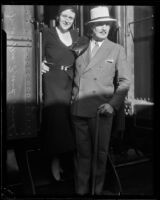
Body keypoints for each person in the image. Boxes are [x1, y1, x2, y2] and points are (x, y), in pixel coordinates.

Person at [71, 6, 131, 195]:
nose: (104, 28)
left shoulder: (116, 49)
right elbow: (63, 67)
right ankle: (81, 192)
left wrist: (112, 105)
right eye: (99, 24)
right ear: (91, 28)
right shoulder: (79, 46)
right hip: (79, 110)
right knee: (83, 156)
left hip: (101, 111)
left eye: (106, 24)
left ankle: (96, 192)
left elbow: (124, 82)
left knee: (99, 156)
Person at [40, 5, 79, 182]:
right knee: (56, 120)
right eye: (65, 16)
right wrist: (39, 62)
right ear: (58, 16)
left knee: (70, 120)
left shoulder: (77, 36)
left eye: (70, 18)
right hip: (52, 79)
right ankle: (54, 163)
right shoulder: (47, 33)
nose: (67, 20)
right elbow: (36, 51)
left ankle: (68, 163)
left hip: (69, 80)